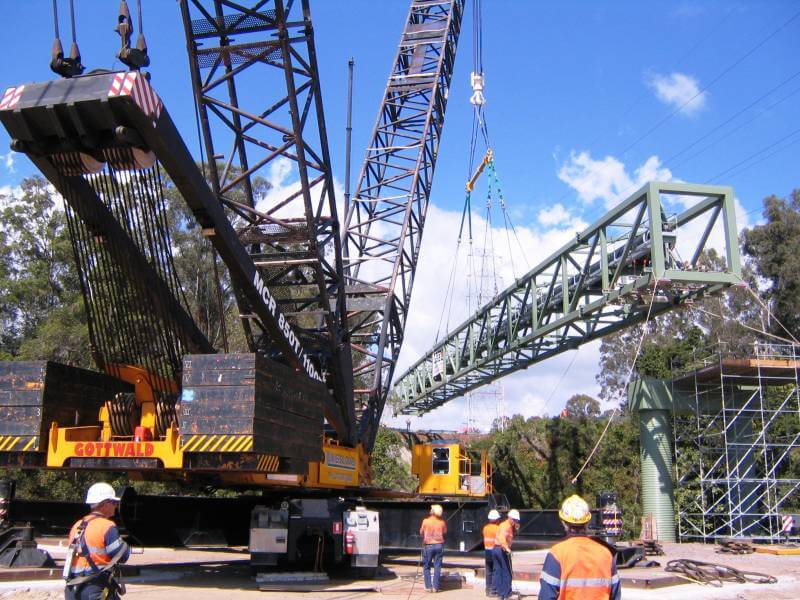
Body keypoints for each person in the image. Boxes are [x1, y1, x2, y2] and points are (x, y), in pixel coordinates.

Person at [538, 494, 621, 600]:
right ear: (587, 523)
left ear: (564, 523)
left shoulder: (557, 554)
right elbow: (615, 595)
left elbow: (547, 596)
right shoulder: (605, 553)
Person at [64, 482, 131, 600]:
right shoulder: (107, 526)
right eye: (114, 502)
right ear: (105, 504)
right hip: (95, 587)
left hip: (73, 588)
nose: (116, 506)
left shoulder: (77, 525)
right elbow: (122, 556)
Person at [491, 509, 520, 600]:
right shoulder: (506, 526)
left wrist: (515, 529)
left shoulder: (506, 525)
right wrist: (507, 548)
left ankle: (500, 594)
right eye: (515, 520)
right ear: (510, 518)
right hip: (502, 549)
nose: (516, 521)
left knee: (499, 571)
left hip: (496, 548)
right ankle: (507, 594)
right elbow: (502, 538)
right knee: (507, 571)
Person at [419, 503, 447, 592]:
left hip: (428, 546)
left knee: (426, 566)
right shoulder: (442, 522)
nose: (430, 510)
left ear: (433, 512)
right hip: (439, 546)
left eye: (431, 509)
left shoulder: (425, 521)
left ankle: (428, 587)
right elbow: (445, 531)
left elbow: (421, 532)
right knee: (437, 566)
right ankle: (436, 587)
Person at [482, 509, 501, 597]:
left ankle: (488, 589)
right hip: (495, 551)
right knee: (496, 571)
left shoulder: (485, 528)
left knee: (488, 571)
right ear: (497, 519)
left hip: (487, 552)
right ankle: (493, 591)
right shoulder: (498, 528)